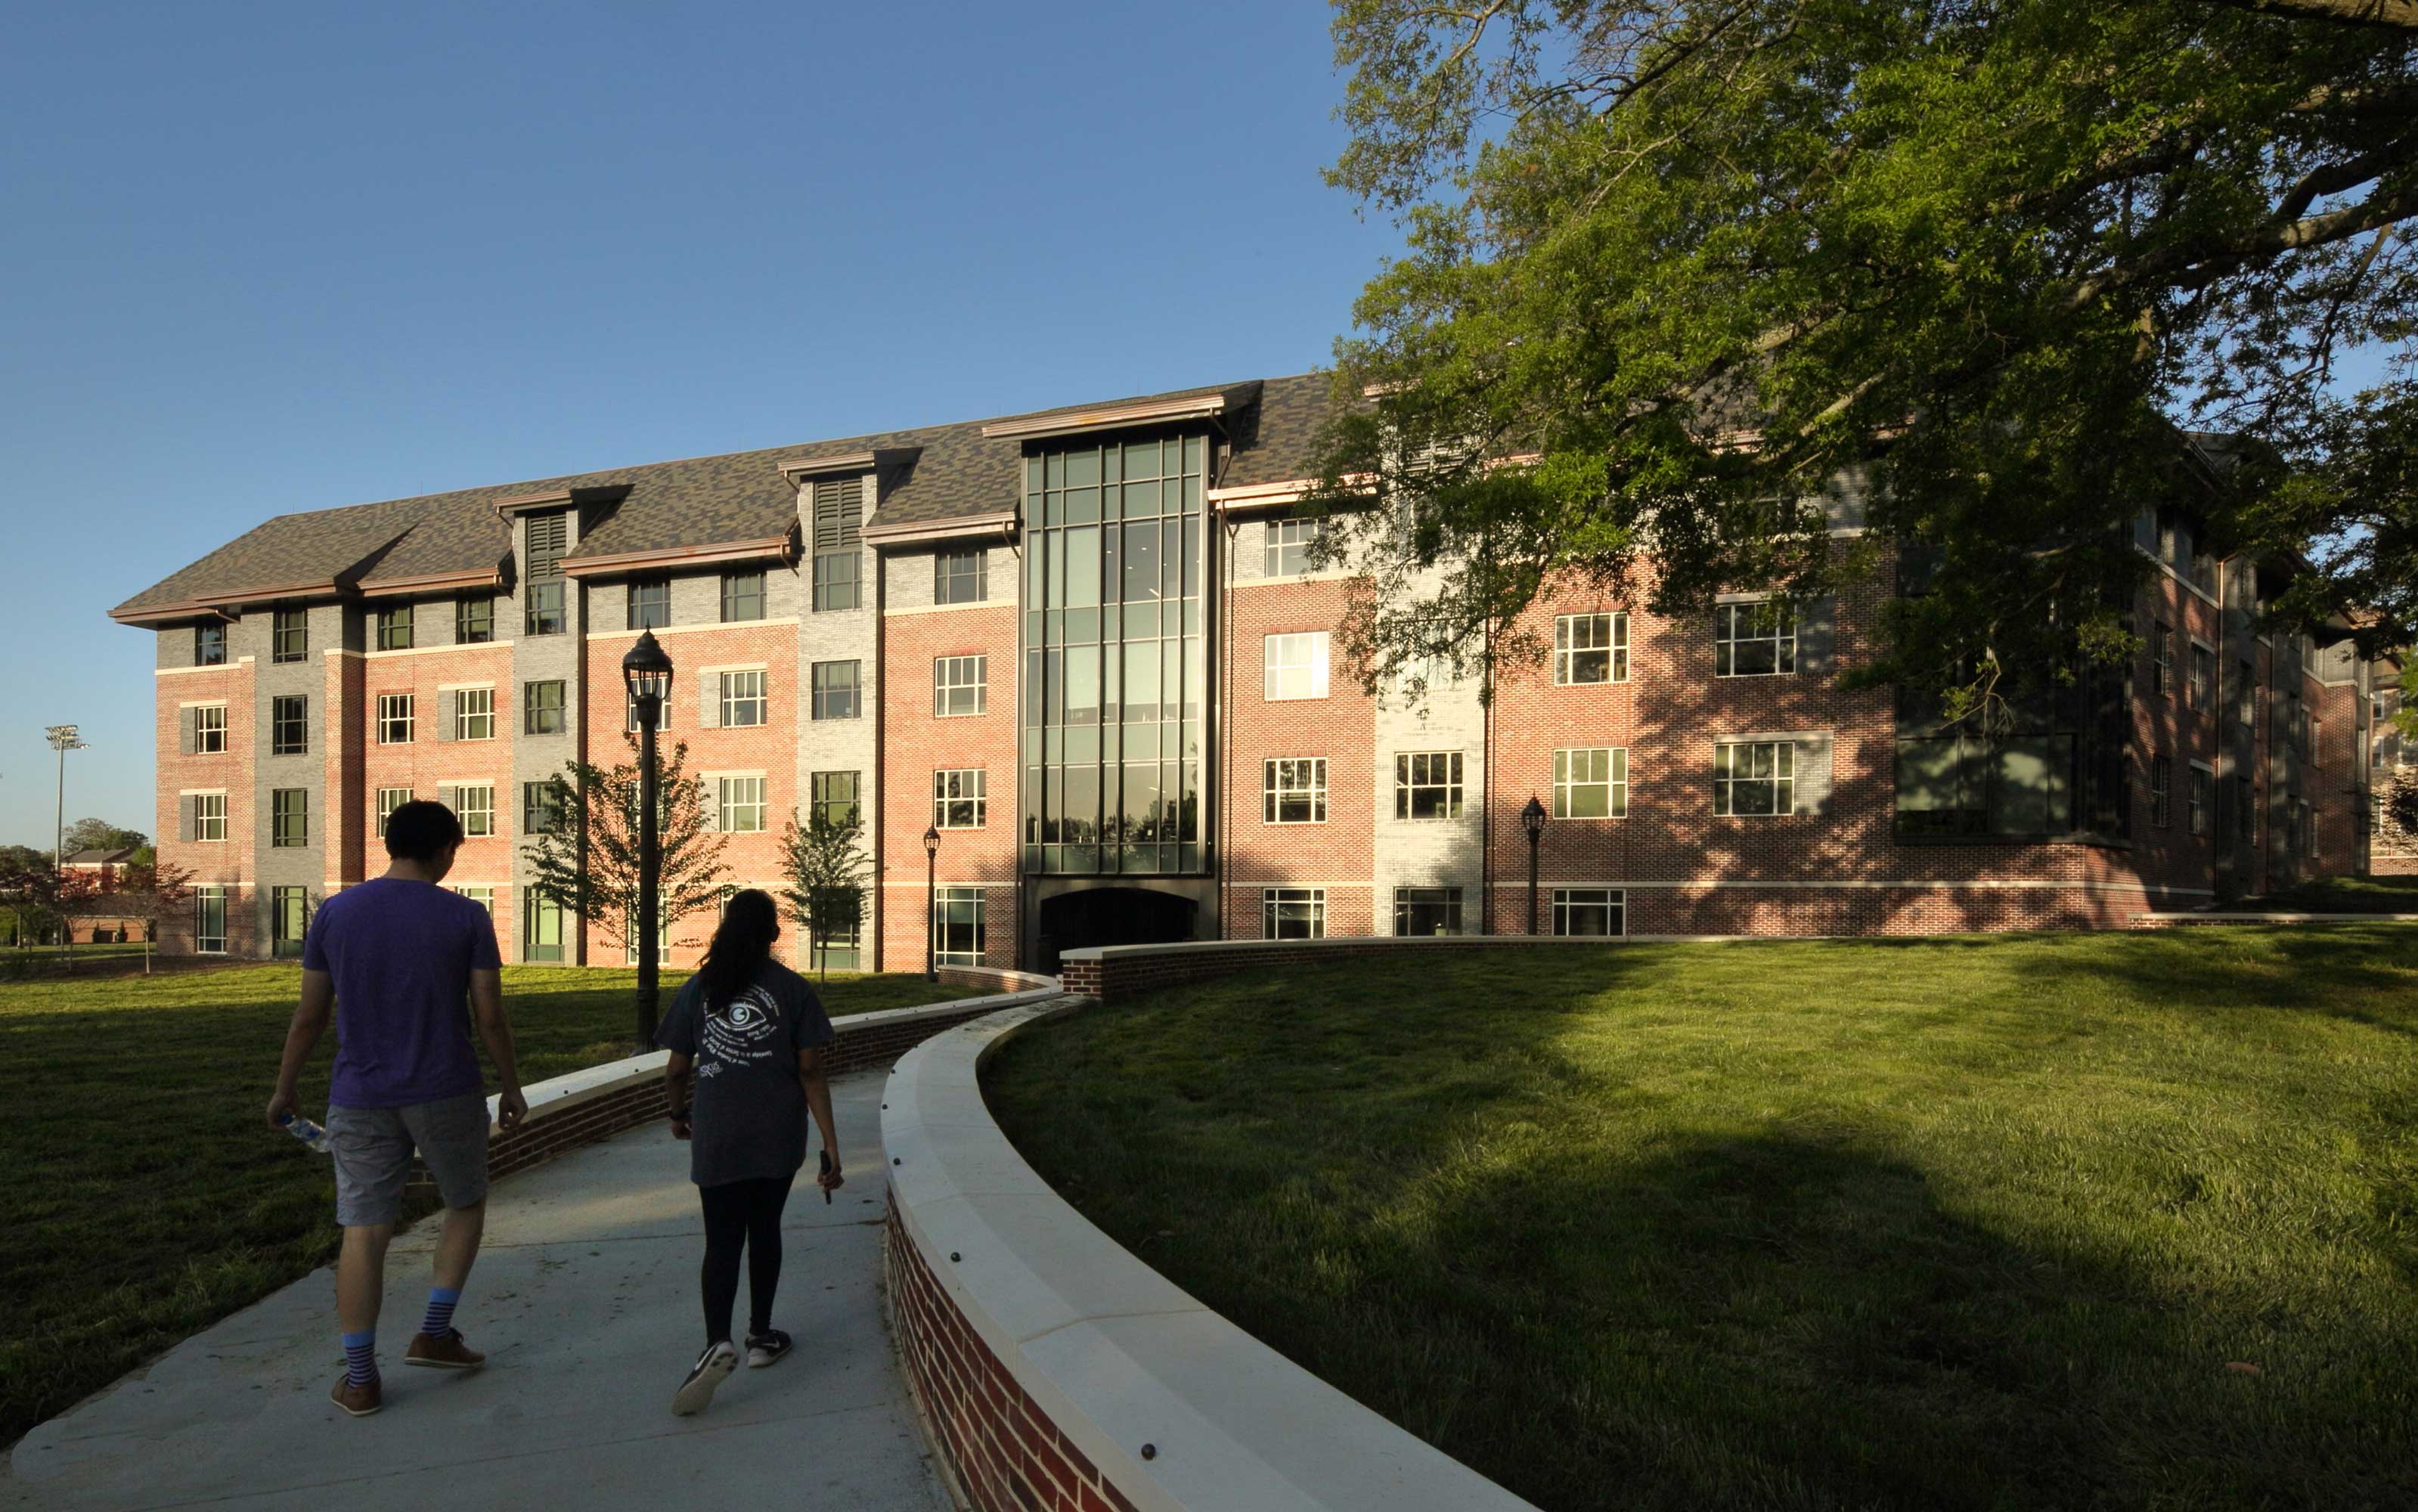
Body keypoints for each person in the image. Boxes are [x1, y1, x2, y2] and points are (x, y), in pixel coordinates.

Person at [265, 799, 526, 1419]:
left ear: (390, 845)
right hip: (446, 1089)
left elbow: (310, 1016)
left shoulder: (335, 913)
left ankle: (360, 1380)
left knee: (365, 1231)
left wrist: (285, 1087)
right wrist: (511, 1084)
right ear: (443, 850)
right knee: (464, 1204)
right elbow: (489, 1015)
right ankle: (434, 1333)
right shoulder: (466, 915)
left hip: (359, 1095)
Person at [656, 889, 843, 1416]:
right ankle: (761, 1335)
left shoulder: (700, 988)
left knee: (720, 1242)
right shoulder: (794, 990)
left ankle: (717, 1340)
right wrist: (830, 1144)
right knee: (764, 1232)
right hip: (776, 1135)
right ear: (774, 935)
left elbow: (675, 1069)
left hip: (717, 1134)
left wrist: (677, 1114)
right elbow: (810, 1071)